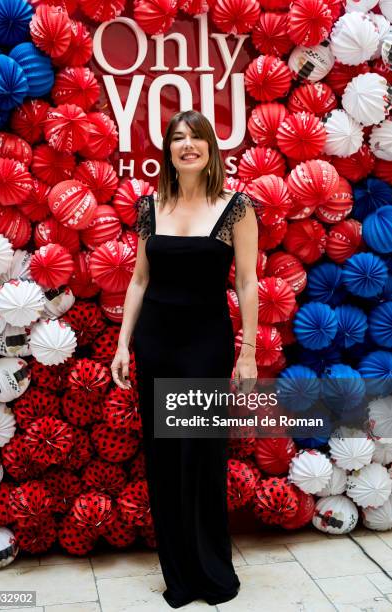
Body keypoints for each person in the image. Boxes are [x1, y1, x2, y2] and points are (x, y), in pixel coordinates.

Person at [111, 109, 259, 608]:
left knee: (202, 454)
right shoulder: (149, 206)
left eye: (196, 137)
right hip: (157, 342)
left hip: (206, 345)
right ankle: (179, 573)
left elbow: (246, 282)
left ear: (211, 148)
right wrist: (122, 343)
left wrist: (249, 352)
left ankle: (211, 570)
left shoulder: (237, 207)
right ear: (169, 151)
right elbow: (138, 280)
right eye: (178, 139)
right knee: (165, 459)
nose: (187, 145)